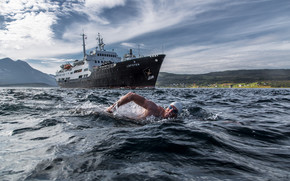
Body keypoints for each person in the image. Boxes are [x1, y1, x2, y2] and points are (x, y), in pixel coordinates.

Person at [106, 92, 182, 119]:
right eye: (170, 107)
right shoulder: (153, 108)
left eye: (174, 111)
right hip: (123, 119)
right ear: (167, 108)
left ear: (175, 116)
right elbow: (131, 95)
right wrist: (112, 108)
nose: (171, 111)